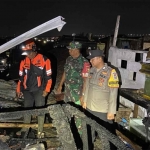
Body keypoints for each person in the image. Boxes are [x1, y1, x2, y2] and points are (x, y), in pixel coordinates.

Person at [82, 49, 119, 149]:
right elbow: (87, 87)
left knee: (108, 135)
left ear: (99, 59)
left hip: (103, 110)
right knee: (88, 133)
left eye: (92, 59)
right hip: (90, 108)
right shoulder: (92, 70)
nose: (90, 61)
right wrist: (85, 101)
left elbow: (113, 93)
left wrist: (111, 111)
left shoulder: (111, 72)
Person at [56, 41, 90, 147]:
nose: (69, 51)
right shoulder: (69, 59)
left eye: (71, 49)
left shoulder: (85, 62)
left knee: (78, 116)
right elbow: (65, 72)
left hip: (78, 93)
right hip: (68, 92)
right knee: (67, 113)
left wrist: (83, 95)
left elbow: (86, 80)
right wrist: (60, 85)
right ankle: (68, 136)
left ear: (76, 50)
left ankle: (79, 140)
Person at [16, 39, 52, 138]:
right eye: (26, 53)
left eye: (29, 53)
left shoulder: (45, 60)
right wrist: (19, 90)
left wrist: (46, 90)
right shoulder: (23, 61)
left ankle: (40, 131)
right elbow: (20, 77)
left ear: (34, 49)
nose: (28, 55)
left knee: (40, 110)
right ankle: (25, 128)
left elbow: (48, 77)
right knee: (26, 109)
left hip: (39, 89)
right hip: (27, 90)